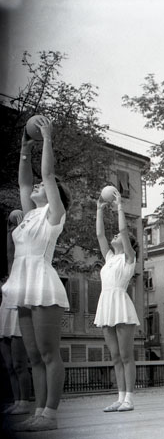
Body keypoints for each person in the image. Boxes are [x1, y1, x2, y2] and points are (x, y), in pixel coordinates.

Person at [3, 118, 72, 431]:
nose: (38, 186)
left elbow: (46, 174)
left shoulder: (54, 214)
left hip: (43, 284)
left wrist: (47, 138)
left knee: (48, 352)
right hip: (23, 285)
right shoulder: (29, 215)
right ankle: (39, 412)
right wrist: (24, 150)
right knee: (32, 355)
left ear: (55, 194)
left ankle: (51, 415)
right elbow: (24, 184)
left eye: (44, 187)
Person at [95, 190, 139, 412]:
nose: (115, 236)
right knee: (114, 356)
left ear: (127, 242)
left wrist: (120, 205)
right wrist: (99, 210)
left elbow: (122, 230)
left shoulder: (128, 258)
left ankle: (129, 398)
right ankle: (120, 397)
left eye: (119, 236)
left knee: (126, 355)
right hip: (106, 305)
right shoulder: (110, 258)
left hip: (121, 305)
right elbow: (100, 235)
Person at [0, 210, 31, 416]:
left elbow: (18, 252)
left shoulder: (26, 272)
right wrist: (9, 229)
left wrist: (21, 228)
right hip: (4, 317)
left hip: (18, 318)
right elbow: (9, 253)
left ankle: (24, 402)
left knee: (20, 364)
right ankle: (16, 400)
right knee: (9, 365)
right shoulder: (10, 275)